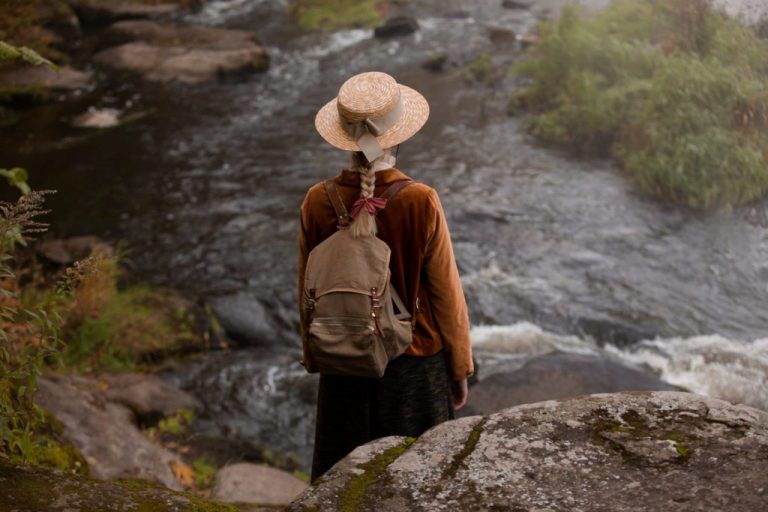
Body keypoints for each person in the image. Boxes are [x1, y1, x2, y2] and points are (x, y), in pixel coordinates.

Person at [297, 71, 473, 481]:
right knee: (420, 485)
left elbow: (305, 290)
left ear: (343, 138)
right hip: (414, 365)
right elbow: (447, 294)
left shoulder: (316, 201)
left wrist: (313, 354)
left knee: (343, 487)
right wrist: (460, 368)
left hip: (343, 363)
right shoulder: (420, 200)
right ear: (398, 134)